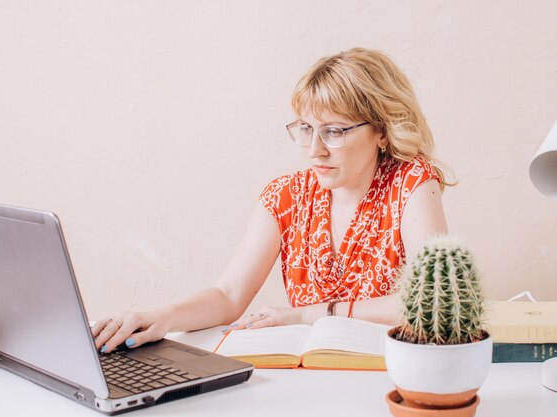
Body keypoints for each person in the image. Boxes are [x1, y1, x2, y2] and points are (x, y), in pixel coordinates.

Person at [92, 47, 449, 353]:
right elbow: (229, 294)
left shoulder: (412, 183)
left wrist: (310, 313)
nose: (315, 150)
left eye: (334, 132)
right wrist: (161, 317)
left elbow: (432, 302)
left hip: (388, 374)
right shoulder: (286, 196)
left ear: (383, 132)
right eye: (306, 129)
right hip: (307, 376)